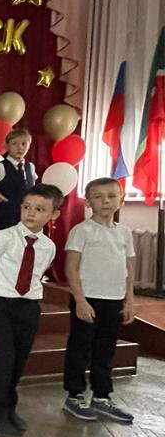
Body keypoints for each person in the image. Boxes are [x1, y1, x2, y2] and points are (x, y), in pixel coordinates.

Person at [0, 184, 61, 437]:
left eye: (40, 209)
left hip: (29, 305)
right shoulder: (3, 238)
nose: (31, 213)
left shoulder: (48, 246)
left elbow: (37, 273)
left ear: (53, 215)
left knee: (19, 358)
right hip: (0, 302)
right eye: (27, 207)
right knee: (3, 357)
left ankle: (9, 408)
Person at [61, 177, 136, 423]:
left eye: (111, 196)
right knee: (80, 348)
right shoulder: (82, 231)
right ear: (88, 202)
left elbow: (128, 267)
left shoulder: (124, 233)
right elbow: (71, 267)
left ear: (121, 200)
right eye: (98, 196)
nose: (105, 201)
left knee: (106, 349)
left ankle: (101, 396)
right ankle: (74, 395)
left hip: (114, 299)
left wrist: (129, 300)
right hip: (89, 299)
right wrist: (80, 300)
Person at [0, 128, 37, 233]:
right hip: (6, 220)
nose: (20, 148)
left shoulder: (30, 167)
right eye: (14, 144)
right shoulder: (0, 167)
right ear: (6, 146)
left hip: (25, 220)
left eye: (24, 144)